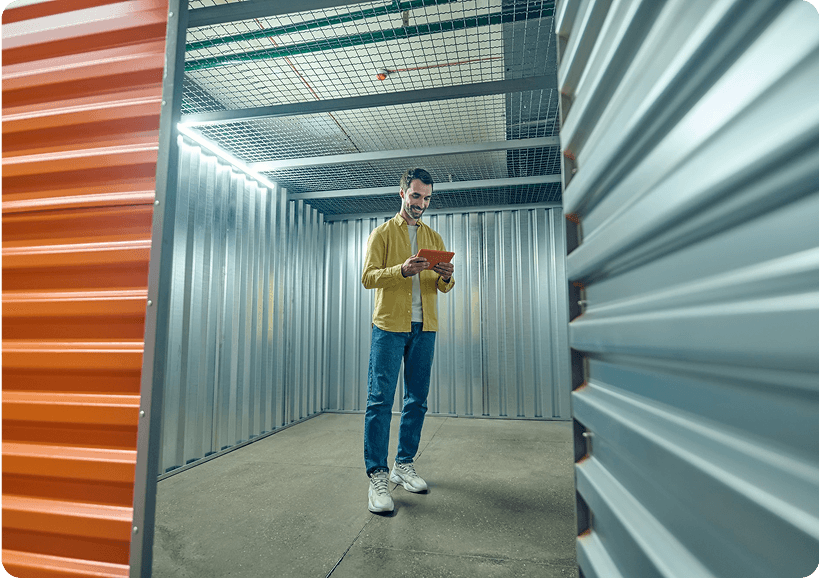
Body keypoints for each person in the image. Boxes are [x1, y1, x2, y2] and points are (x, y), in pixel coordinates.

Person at [360, 167, 455, 514]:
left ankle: (403, 465)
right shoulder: (382, 234)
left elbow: (443, 287)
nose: (421, 203)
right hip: (388, 326)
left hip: (424, 327)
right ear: (402, 193)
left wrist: (446, 276)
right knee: (380, 400)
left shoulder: (434, 237)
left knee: (417, 400)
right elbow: (367, 277)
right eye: (416, 196)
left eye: (427, 198)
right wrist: (401, 270)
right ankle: (378, 476)